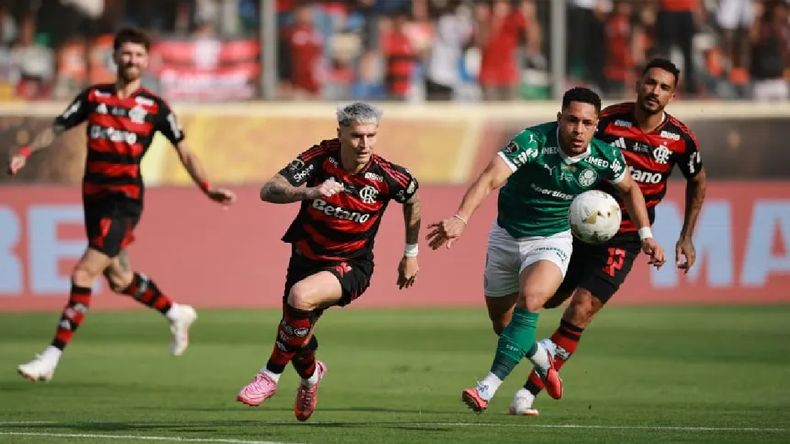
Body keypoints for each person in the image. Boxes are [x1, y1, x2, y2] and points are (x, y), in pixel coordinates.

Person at [6, 27, 236, 383]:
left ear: (146, 61)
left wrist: (206, 187)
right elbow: (57, 128)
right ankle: (176, 312)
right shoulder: (94, 97)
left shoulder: (155, 108)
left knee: (83, 274)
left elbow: (184, 150)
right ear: (114, 57)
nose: (132, 60)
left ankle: (50, 358)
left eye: (138, 55)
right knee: (119, 279)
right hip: (94, 199)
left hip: (124, 202)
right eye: (126, 53)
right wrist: (25, 151)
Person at [426, 87, 665, 413]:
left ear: (596, 125)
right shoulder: (532, 142)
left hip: (552, 240)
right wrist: (461, 217)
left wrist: (646, 235)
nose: (578, 130)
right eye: (572, 120)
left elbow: (630, 188)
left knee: (531, 301)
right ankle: (544, 362)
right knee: (504, 327)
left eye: (587, 123)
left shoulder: (604, 156)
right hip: (506, 237)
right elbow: (490, 178)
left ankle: (487, 387)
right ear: (559, 118)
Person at [512, 58, 707, 416]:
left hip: (625, 237)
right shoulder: (606, 122)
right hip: (576, 226)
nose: (655, 91)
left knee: (582, 308)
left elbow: (698, 180)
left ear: (673, 95)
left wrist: (687, 235)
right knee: (545, 300)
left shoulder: (680, 140)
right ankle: (529, 350)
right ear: (638, 83)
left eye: (664, 87)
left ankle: (528, 393)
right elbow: (566, 145)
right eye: (650, 82)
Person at [235, 102, 421, 422]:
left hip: (352, 265)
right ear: (340, 133)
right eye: (357, 136)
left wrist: (411, 253)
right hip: (305, 259)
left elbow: (413, 198)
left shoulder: (387, 175)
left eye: (371, 136)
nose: (364, 144)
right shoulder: (320, 158)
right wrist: (310, 193)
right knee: (298, 336)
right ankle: (311, 378)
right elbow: (270, 190)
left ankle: (268, 376)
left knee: (299, 298)